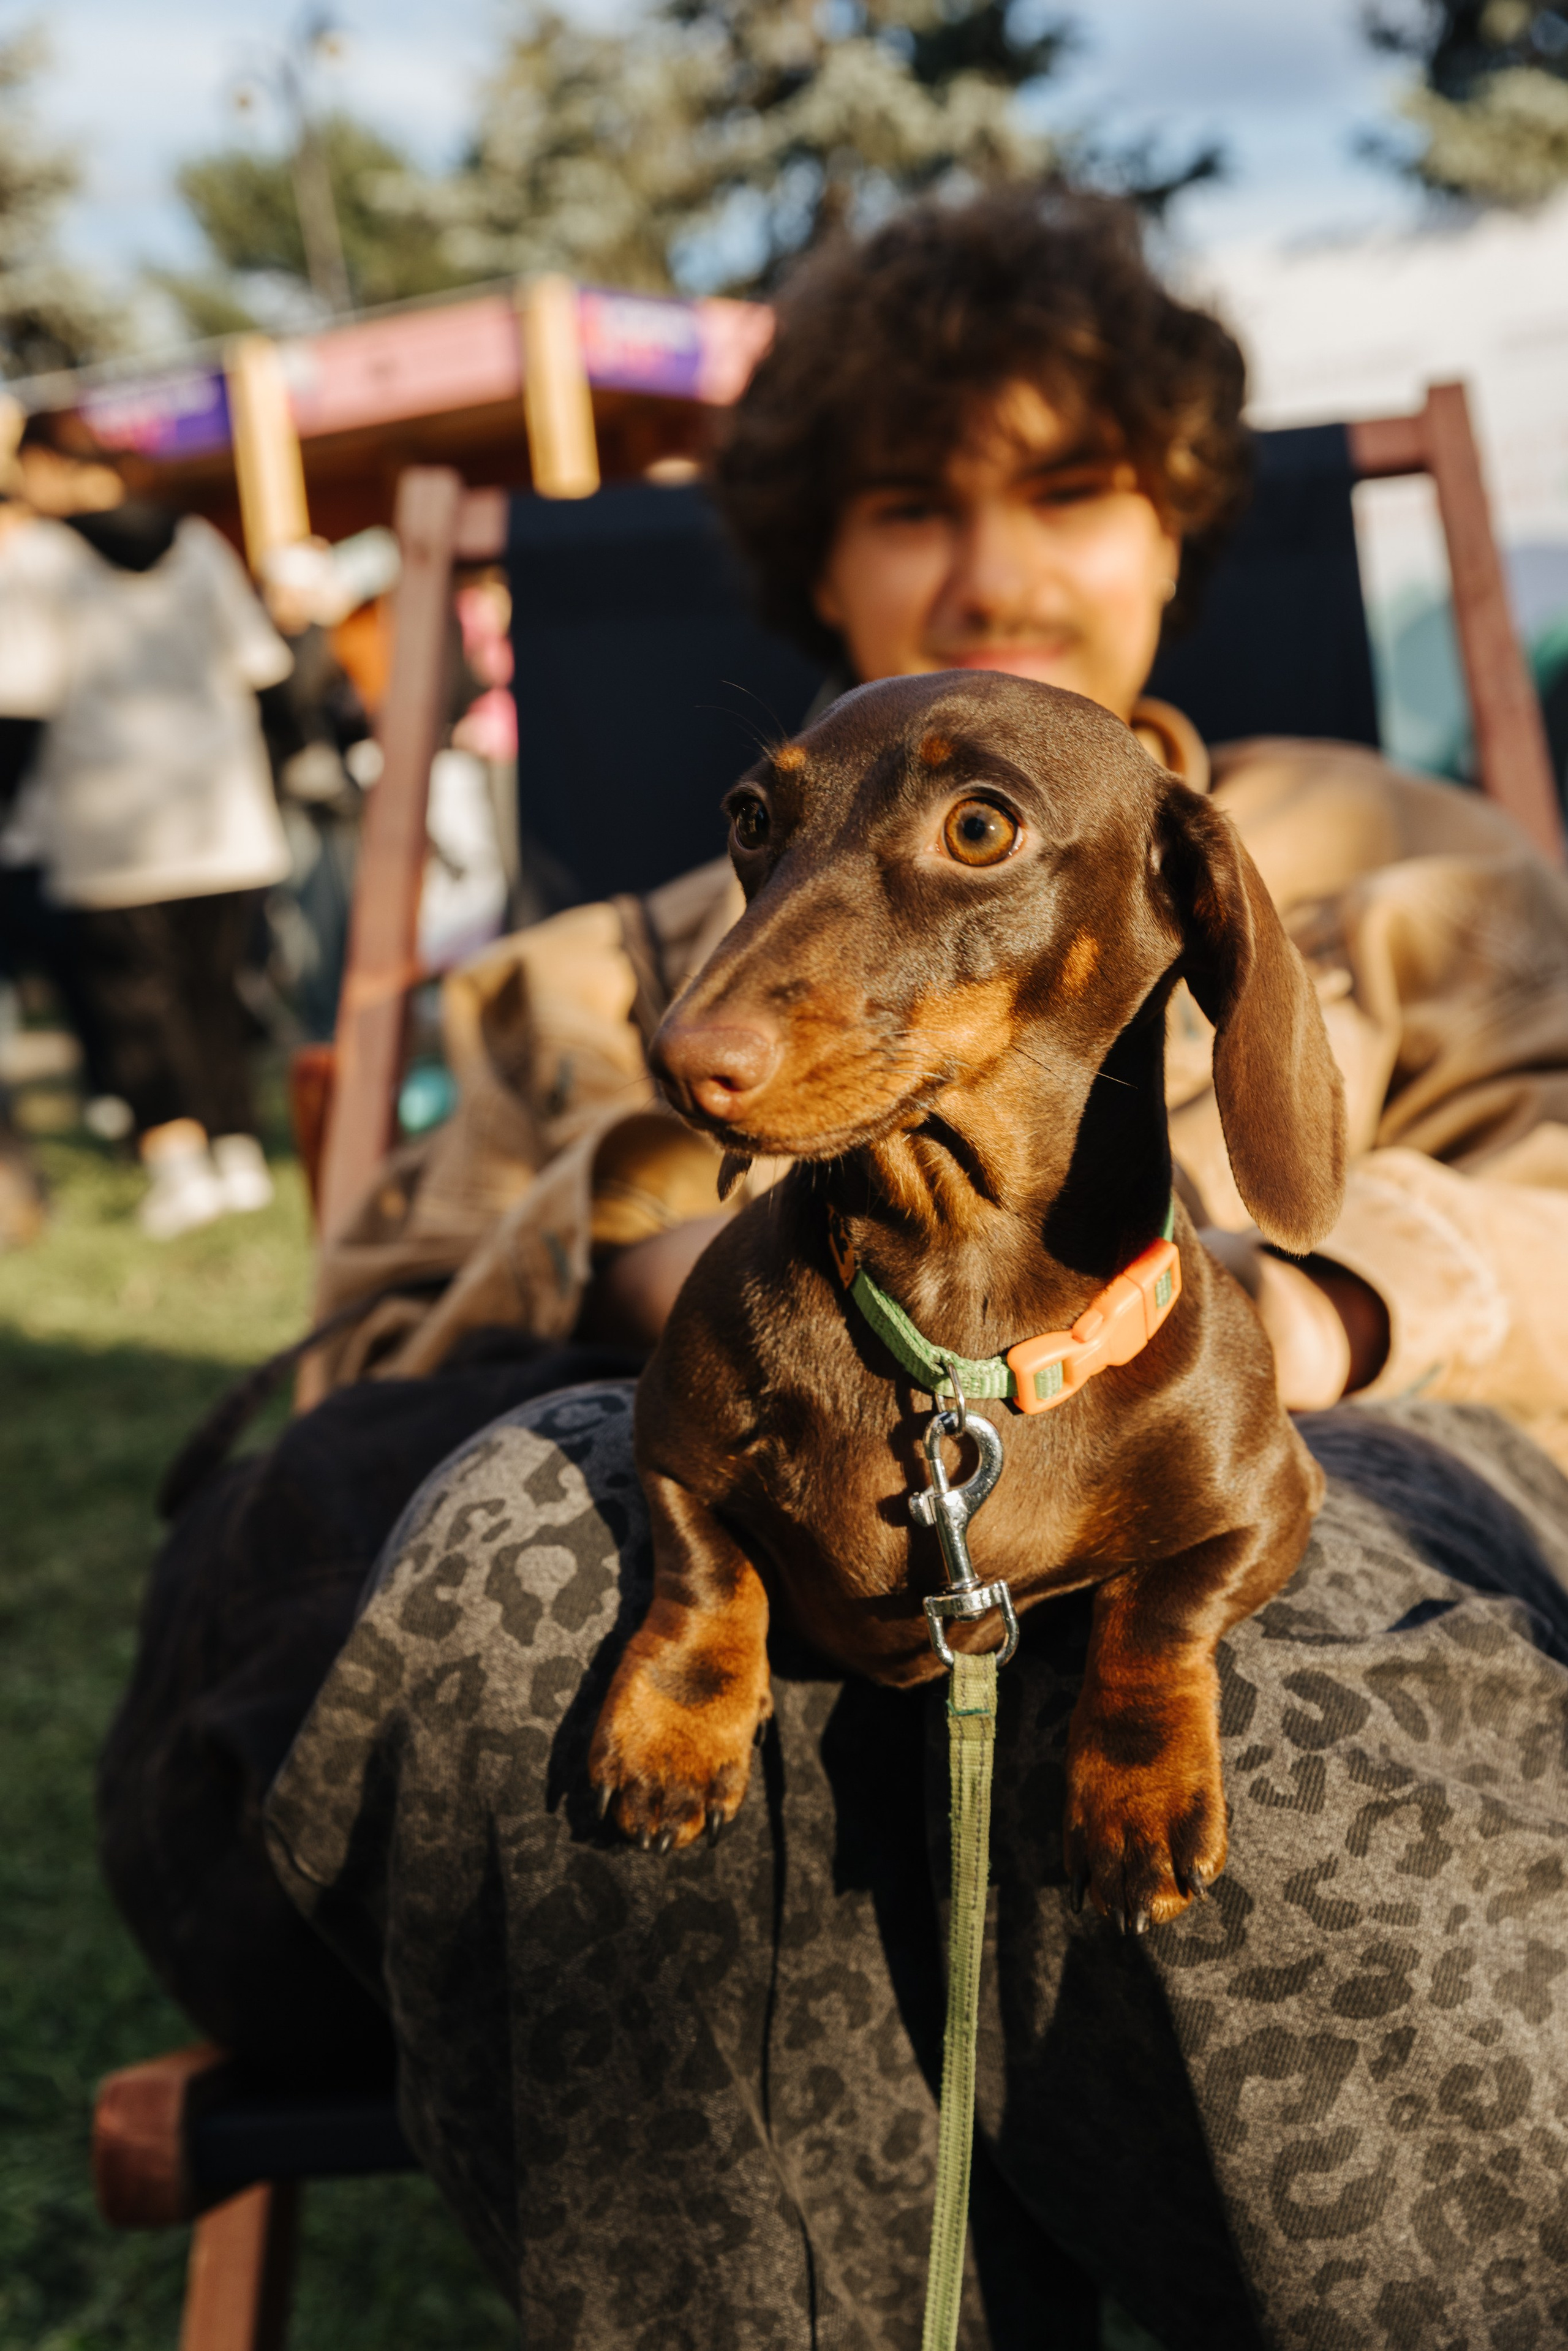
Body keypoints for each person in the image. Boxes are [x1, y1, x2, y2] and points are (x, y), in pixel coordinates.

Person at [103, 191, 1568, 2347]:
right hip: (761, 1516)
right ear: (823, 559)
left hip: (1319, 1451)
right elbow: (385, 1330)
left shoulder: (1386, 855)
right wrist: (684, 1257)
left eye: (1072, 485)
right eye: (914, 502)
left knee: (1290, 1686)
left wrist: (1289, 1317)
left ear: (1174, 527)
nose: (996, 567)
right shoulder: (603, 980)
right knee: (528, 1561)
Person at [3, 412, 295, 1238]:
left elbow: (20, 698)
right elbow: (265, 669)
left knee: (136, 1001)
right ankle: (237, 1150)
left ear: (53, 466)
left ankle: (179, 1164)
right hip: (223, 813)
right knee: (213, 988)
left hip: (110, 822)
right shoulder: (200, 542)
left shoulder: (42, 560)